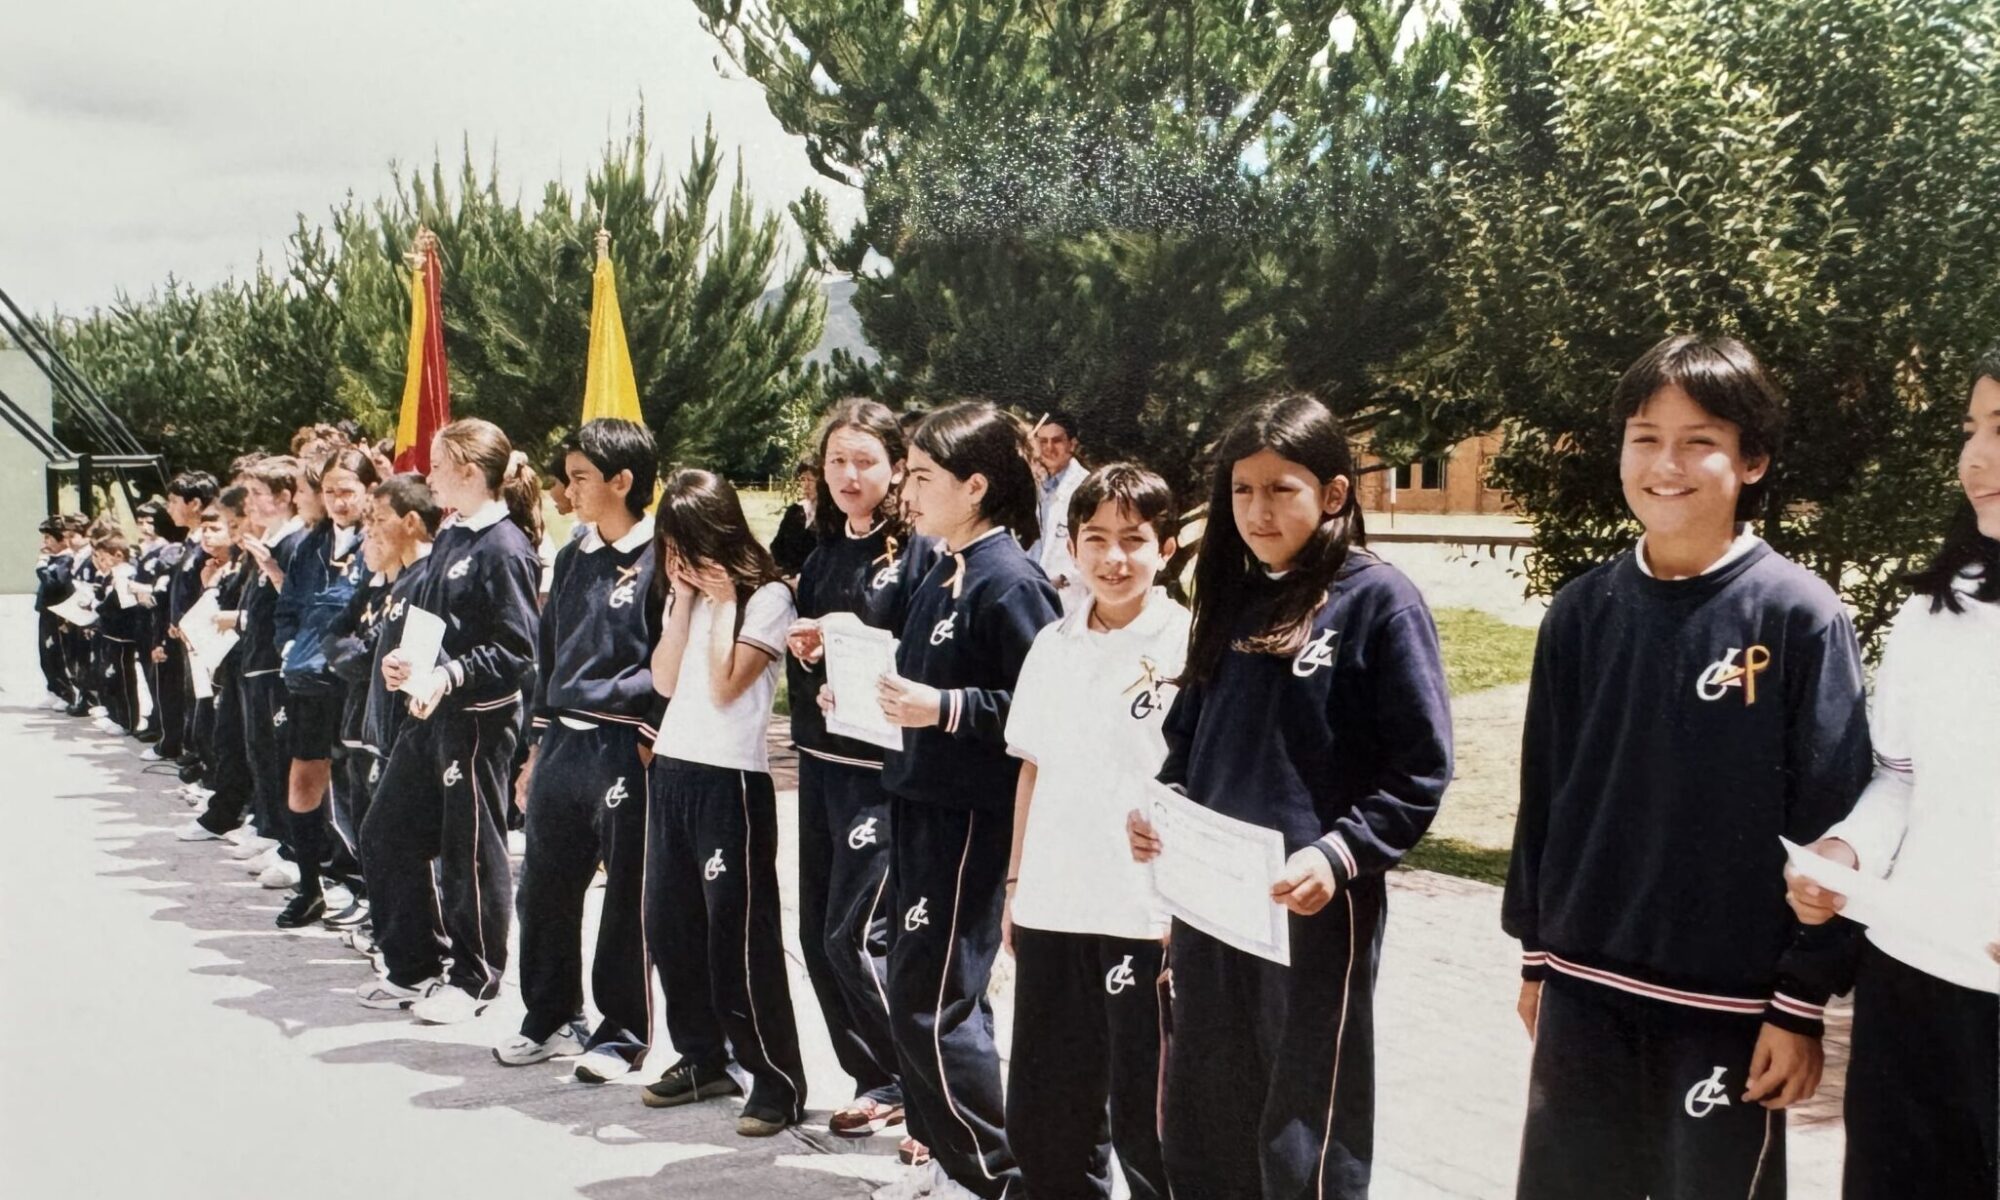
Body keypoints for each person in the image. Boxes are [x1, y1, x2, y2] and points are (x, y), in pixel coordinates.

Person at [1501, 335, 1872, 1200]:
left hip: (1728, 1009)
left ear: (1753, 460)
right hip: (1583, 991)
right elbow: (1544, 796)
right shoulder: (1582, 611)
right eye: (1644, 438)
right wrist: (1536, 957)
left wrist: (1802, 999)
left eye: (1698, 440)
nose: (1665, 464)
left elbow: (1833, 821)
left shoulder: (1797, 614)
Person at [1125, 393, 1452, 1200]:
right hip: (1213, 904)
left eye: (1282, 489)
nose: (1258, 510)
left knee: (1304, 1117)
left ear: (1333, 493)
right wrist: (1161, 811)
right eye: (1242, 490)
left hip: (1311, 906)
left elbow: (1419, 769)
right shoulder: (1232, 597)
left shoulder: (1380, 601)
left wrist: (1338, 856)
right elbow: (1187, 741)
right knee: (1204, 1101)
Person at [1784, 346, 2000, 1199]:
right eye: (1971, 430)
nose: (1976, 458)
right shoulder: (1939, 605)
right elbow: (1902, 777)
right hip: (1909, 982)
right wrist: (1847, 852)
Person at [854, 401, 1059, 1200]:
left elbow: (1042, 710)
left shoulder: (1011, 580)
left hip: (968, 817)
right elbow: (919, 683)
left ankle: (993, 1175)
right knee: (923, 993)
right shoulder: (944, 568)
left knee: (932, 1002)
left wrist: (944, 708)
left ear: (975, 486)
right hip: (917, 800)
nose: (905, 491)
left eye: (922, 475)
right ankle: (945, 1156)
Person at [1003, 463, 1186, 1200]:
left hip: (1143, 912)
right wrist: (1016, 884)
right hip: (1053, 904)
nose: (1114, 558)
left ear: (1165, 547)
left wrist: (1179, 905)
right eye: (1096, 539)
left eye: (1133, 540)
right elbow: (1031, 768)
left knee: (1147, 1119)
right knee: (1046, 1111)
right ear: (1072, 546)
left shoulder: (1188, 644)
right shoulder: (1052, 643)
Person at [640, 468, 807, 1138]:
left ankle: (776, 1077)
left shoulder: (768, 597)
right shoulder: (685, 596)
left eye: (688, 542)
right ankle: (701, 1056)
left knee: (738, 936)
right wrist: (685, 601)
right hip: (674, 768)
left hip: (731, 778)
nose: (679, 557)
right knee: (669, 924)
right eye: (670, 544)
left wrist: (723, 599)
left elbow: (727, 683)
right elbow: (663, 679)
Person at [359, 420, 542, 1022]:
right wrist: (406, 664)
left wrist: (451, 674)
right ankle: (414, 966)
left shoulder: (505, 547)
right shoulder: (453, 534)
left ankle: (476, 976)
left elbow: (517, 650)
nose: (428, 476)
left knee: (471, 849)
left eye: (437, 465)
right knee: (385, 832)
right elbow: (433, 623)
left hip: (477, 722)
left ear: (469, 472)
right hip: (430, 712)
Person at [502, 419, 664, 1084]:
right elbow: (549, 654)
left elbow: (673, 656)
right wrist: (536, 747)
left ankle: (622, 1034)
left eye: (579, 478)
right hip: (564, 739)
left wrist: (649, 734)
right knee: (543, 886)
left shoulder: (664, 557)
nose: (566, 492)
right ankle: (549, 1015)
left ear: (622, 481)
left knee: (625, 894)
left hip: (625, 743)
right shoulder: (572, 557)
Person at [783, 399, 923, 1139]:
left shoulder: (918, 557)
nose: (849, 474)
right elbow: (813, 666)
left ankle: (922, 1083)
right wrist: (812, 655)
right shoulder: (822, 554)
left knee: (857, 934)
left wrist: (858, 646)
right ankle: (875, 1078)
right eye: (837, 460)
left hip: (881, 772)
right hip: (820, 762)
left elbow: (923, 662)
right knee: (815, 936)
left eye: (865, 460)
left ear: (897, 468)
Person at [272, 448, 377, 926]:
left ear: (369, 490)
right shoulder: (309, 546)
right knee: (303, 780)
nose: (338, 500)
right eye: (330, 491)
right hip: (310, 681)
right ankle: (310, 886)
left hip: (357, 681)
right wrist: (288, 644)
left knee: (362, 787)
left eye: (347, 491)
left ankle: (370, 892)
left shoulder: (379, 541)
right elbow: (288, 608)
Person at [1032, 411, 1089, 609]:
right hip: (1029, 591)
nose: (1048, 448)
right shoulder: (1031, 484)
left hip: (1067, 595)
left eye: (1056, 441)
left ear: (1072, 445)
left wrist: (1064, 577)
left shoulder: (1086, 487)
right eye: (1043, 441)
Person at [769, 456, 821, 578]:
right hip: (788, 577)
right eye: (802, 479)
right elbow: (777, 547)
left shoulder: (831, 516)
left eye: (811, 480)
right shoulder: (794, 511)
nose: (806, 485)